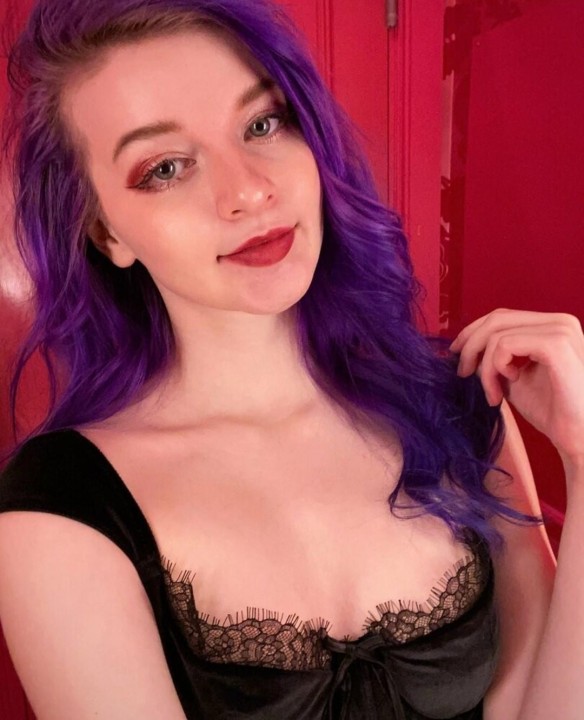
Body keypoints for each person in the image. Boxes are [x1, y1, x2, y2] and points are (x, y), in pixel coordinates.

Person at [0, 0, 582, 718]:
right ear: (105, 232)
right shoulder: (63, 507)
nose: (248, 190)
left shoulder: (455, 402)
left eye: (262, 124)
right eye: (167, 167)